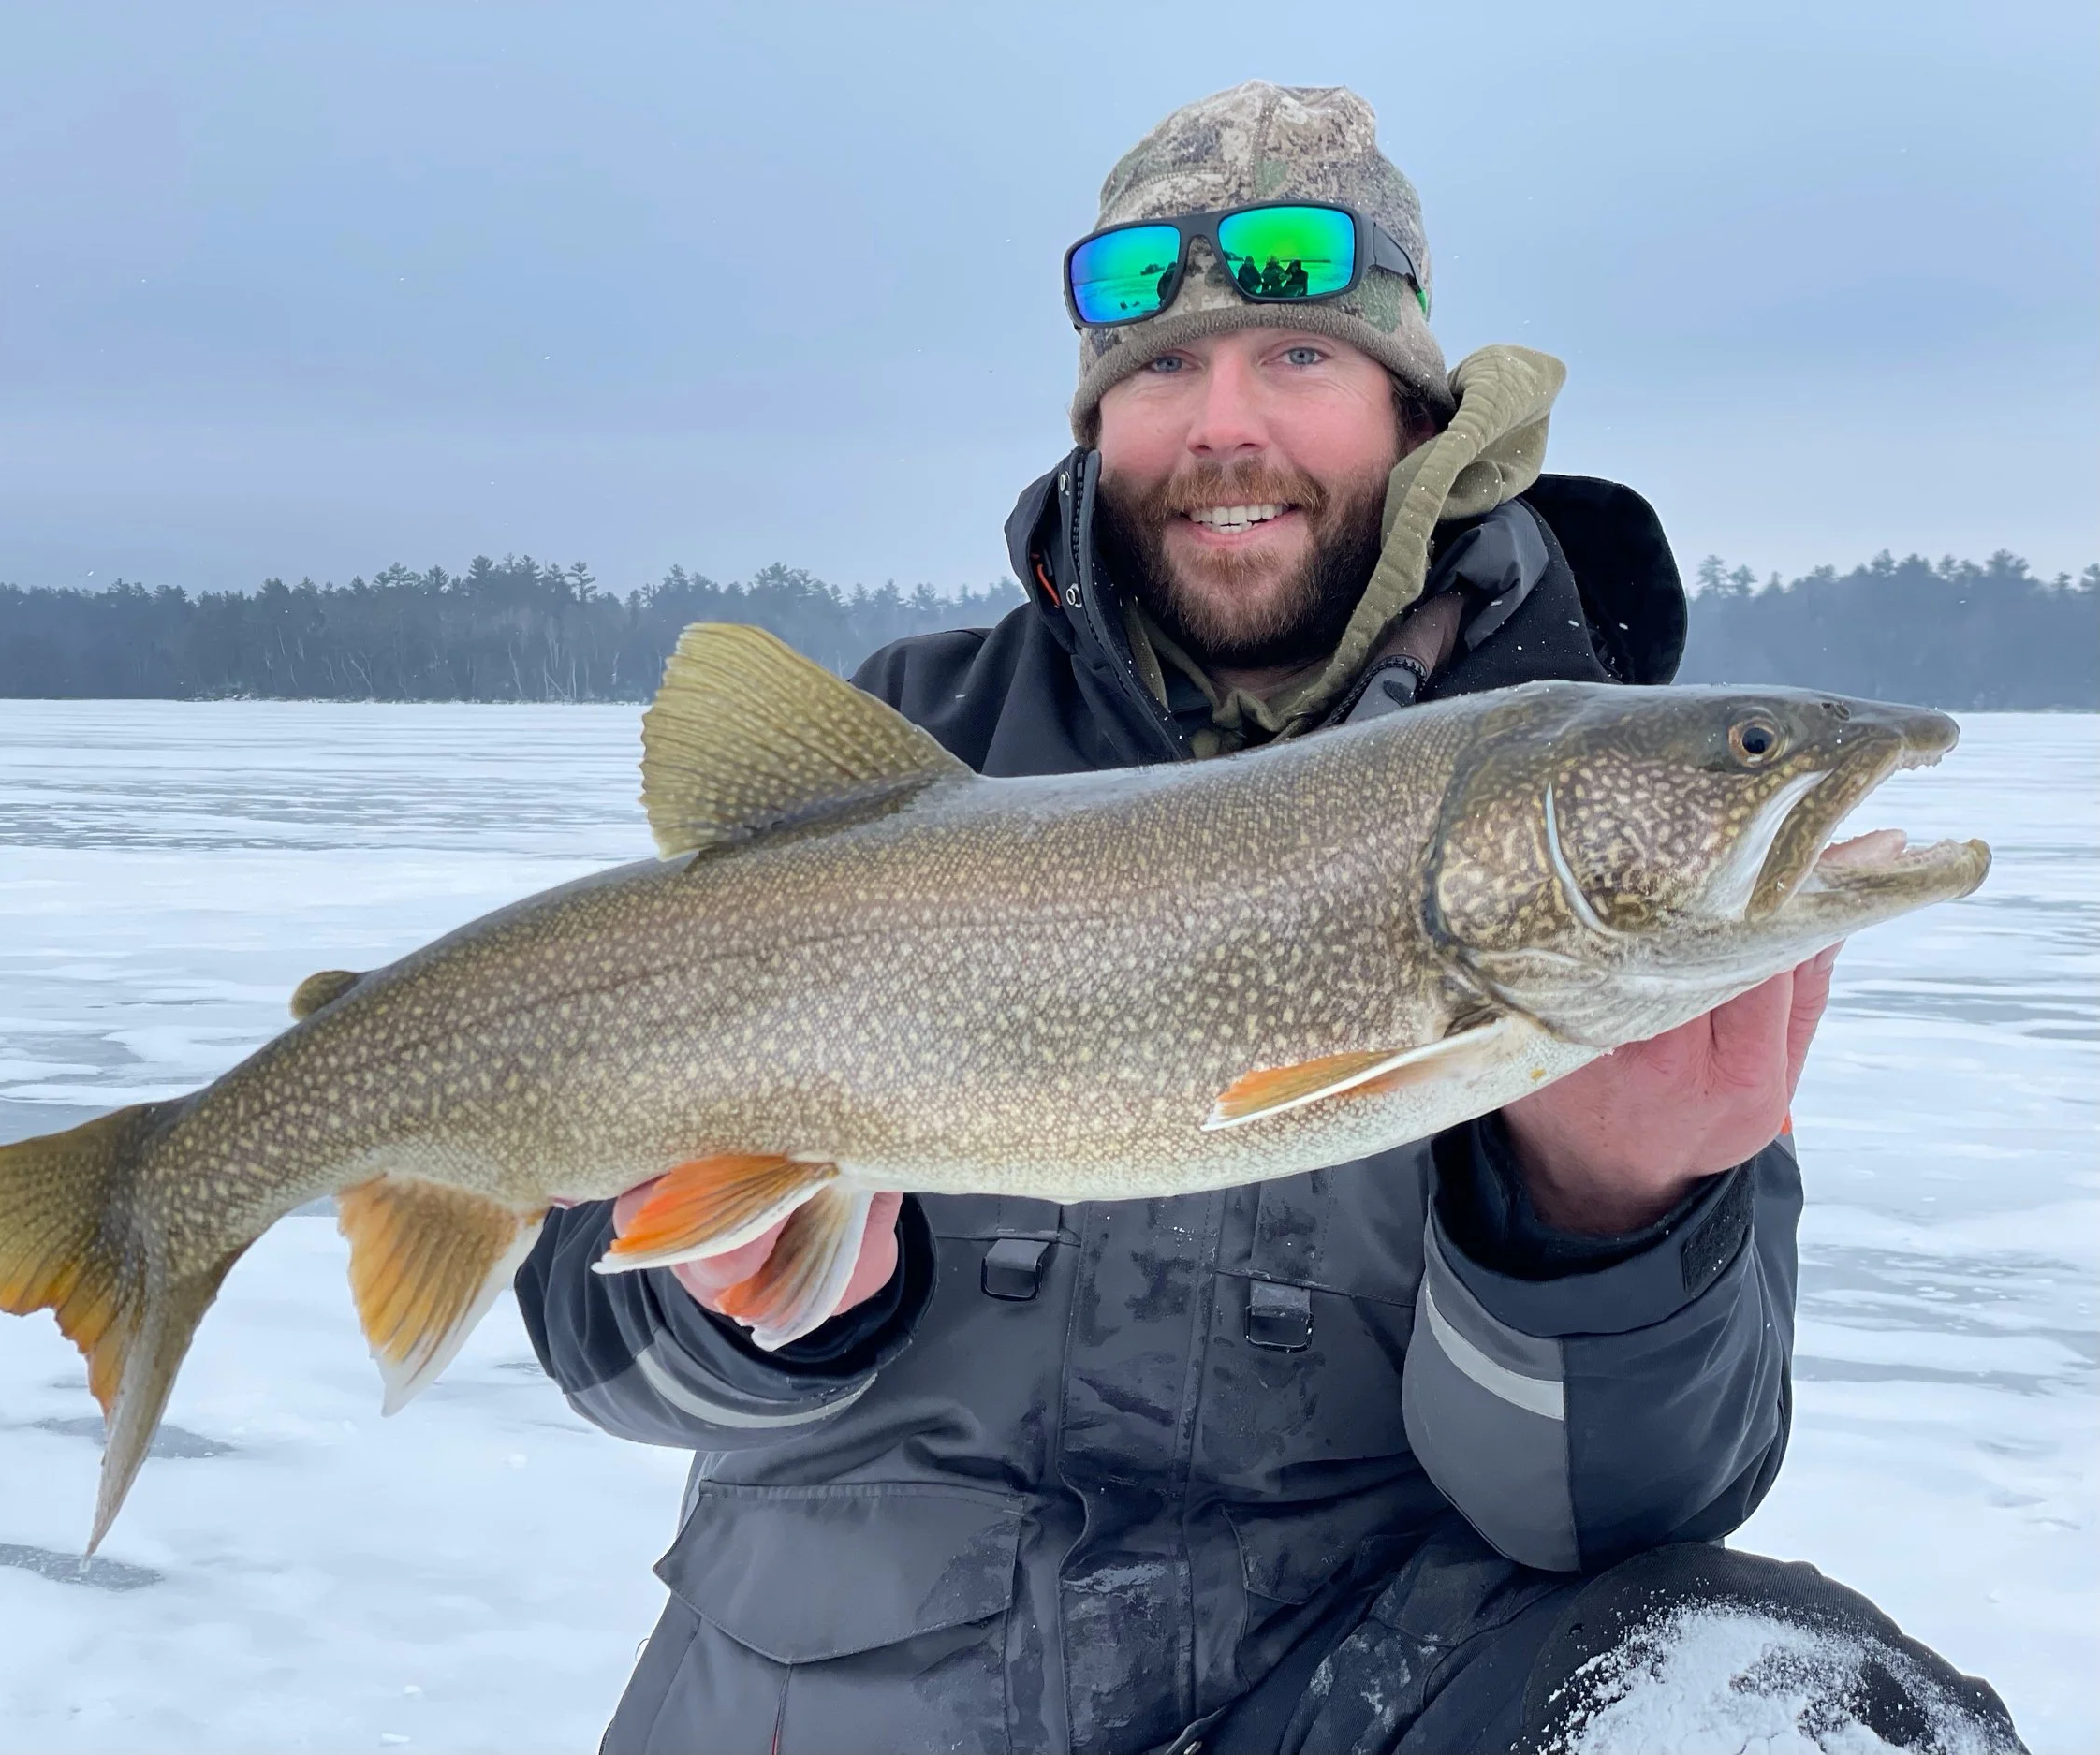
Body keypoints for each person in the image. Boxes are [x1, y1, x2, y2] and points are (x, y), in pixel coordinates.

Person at [519, 81, 2025, 1755]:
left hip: (1363, 1687)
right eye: (1161, 367)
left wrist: (1607, 1223)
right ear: (1096, 419)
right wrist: (756, 1310)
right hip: (841, 1693)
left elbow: (1625, 1514)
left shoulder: (1567, 820)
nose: (1223, 422)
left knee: (1804, 1707)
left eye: (1297, 356)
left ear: (1412, 403)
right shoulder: (907, 757)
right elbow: (597, 1342)